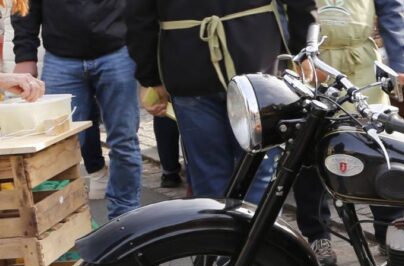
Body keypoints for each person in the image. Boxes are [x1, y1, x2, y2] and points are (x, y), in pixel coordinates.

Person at [125, 0, 317, 204]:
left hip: (190, 66)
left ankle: (221, 234)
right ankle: (256, 234)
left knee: (210, 179)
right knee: (257, 174)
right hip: (256, 62)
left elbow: (138, 18)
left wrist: (150, 78)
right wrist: (303, 51)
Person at [292, 0, 404, 266]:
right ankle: (317, 234)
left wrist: (399, 57)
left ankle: (388, 230)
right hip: (314, 65)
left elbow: (390, 10)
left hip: (363, 66)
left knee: (378, 150)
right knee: (311, 153)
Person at [12, 0, 143, 220]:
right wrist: (25, 55)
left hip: (116, 51)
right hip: (61, 57)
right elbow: (24, 5)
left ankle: (125, 218)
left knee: (123, 139)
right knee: (56, 144)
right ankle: (62, 219)